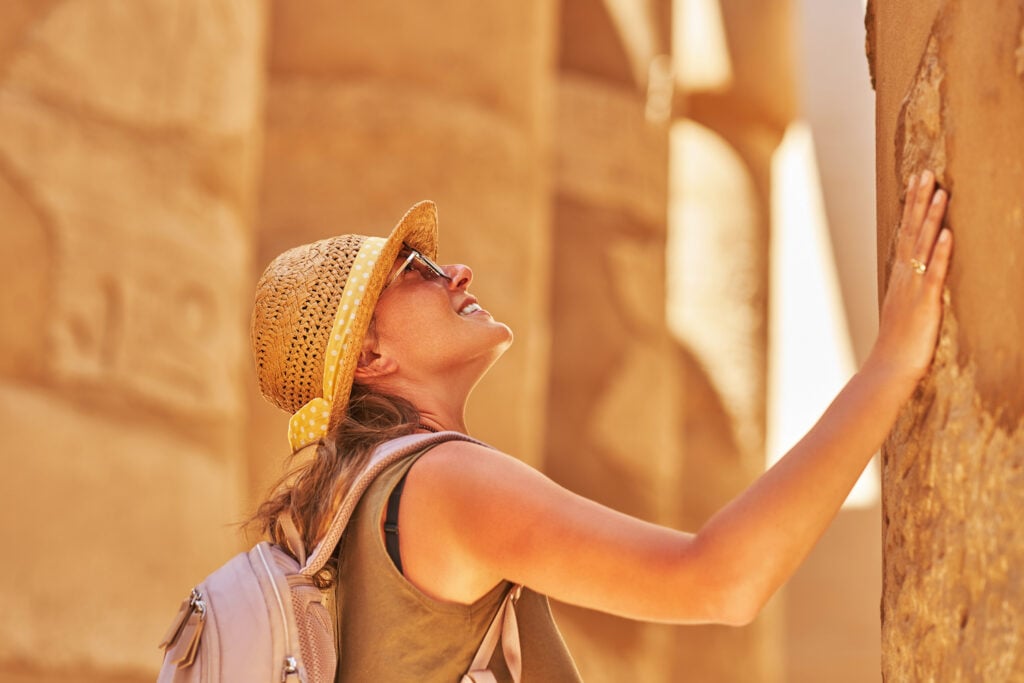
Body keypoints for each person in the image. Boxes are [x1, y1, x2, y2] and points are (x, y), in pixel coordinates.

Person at [248, 171, 951, 681]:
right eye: (417, 269)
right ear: (370, 355)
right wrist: (887, 369)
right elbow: (721, 581)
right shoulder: (444, 482)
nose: (455, 271)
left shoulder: (345, 515)